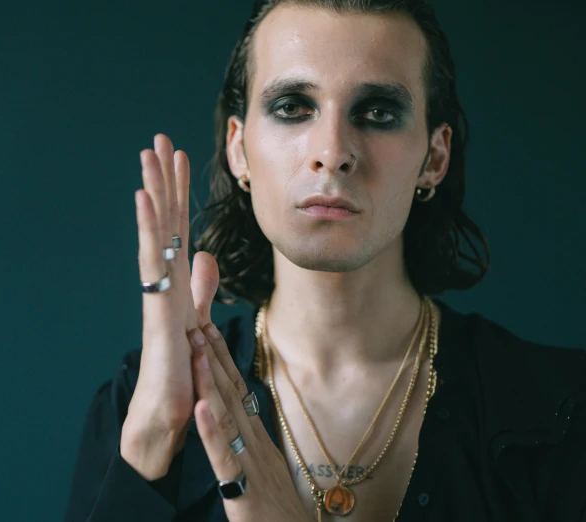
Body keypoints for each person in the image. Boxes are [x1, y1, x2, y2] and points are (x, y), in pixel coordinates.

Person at [64, 0, 586, 520]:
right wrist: (153, 438)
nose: (332, 150)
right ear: (239, 150)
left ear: (434, 158)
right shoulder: (138, 402)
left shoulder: (560, 408)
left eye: (378, 112)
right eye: (293, 106)